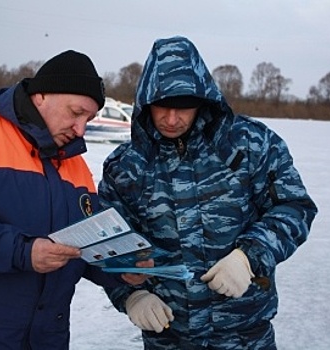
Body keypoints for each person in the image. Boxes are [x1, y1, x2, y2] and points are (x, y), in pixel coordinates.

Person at [0, 50, 149, 349]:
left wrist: (121, 269)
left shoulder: (75, 166)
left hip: (45, 337)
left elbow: (79, 247)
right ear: (41, 96)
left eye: (89, 118)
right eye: (76, 113)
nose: (81, 129)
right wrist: (22, 252)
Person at [98, 36, 318, 349]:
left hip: (243, 336)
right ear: (146, 102)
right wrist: (131, 294)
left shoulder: (250, 144)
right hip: (168, 337)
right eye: (162, 107)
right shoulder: (125, 165)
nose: (172, 119)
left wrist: (248, 256)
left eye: (183, 108)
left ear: (203, 100)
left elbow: (295, 207)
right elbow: (109, 243)